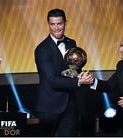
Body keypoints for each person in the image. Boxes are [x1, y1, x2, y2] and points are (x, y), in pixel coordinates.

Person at [34, 8, 93, 136]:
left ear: (65, 23)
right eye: (52, 24)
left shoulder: (72, 43)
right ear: (48, 24)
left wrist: (81, 75)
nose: (56, 28)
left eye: (59, 23)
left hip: (70, 105)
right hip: (50, 107)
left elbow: (73, 70)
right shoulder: (42, 49)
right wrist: (78, 81)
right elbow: (52, 80)